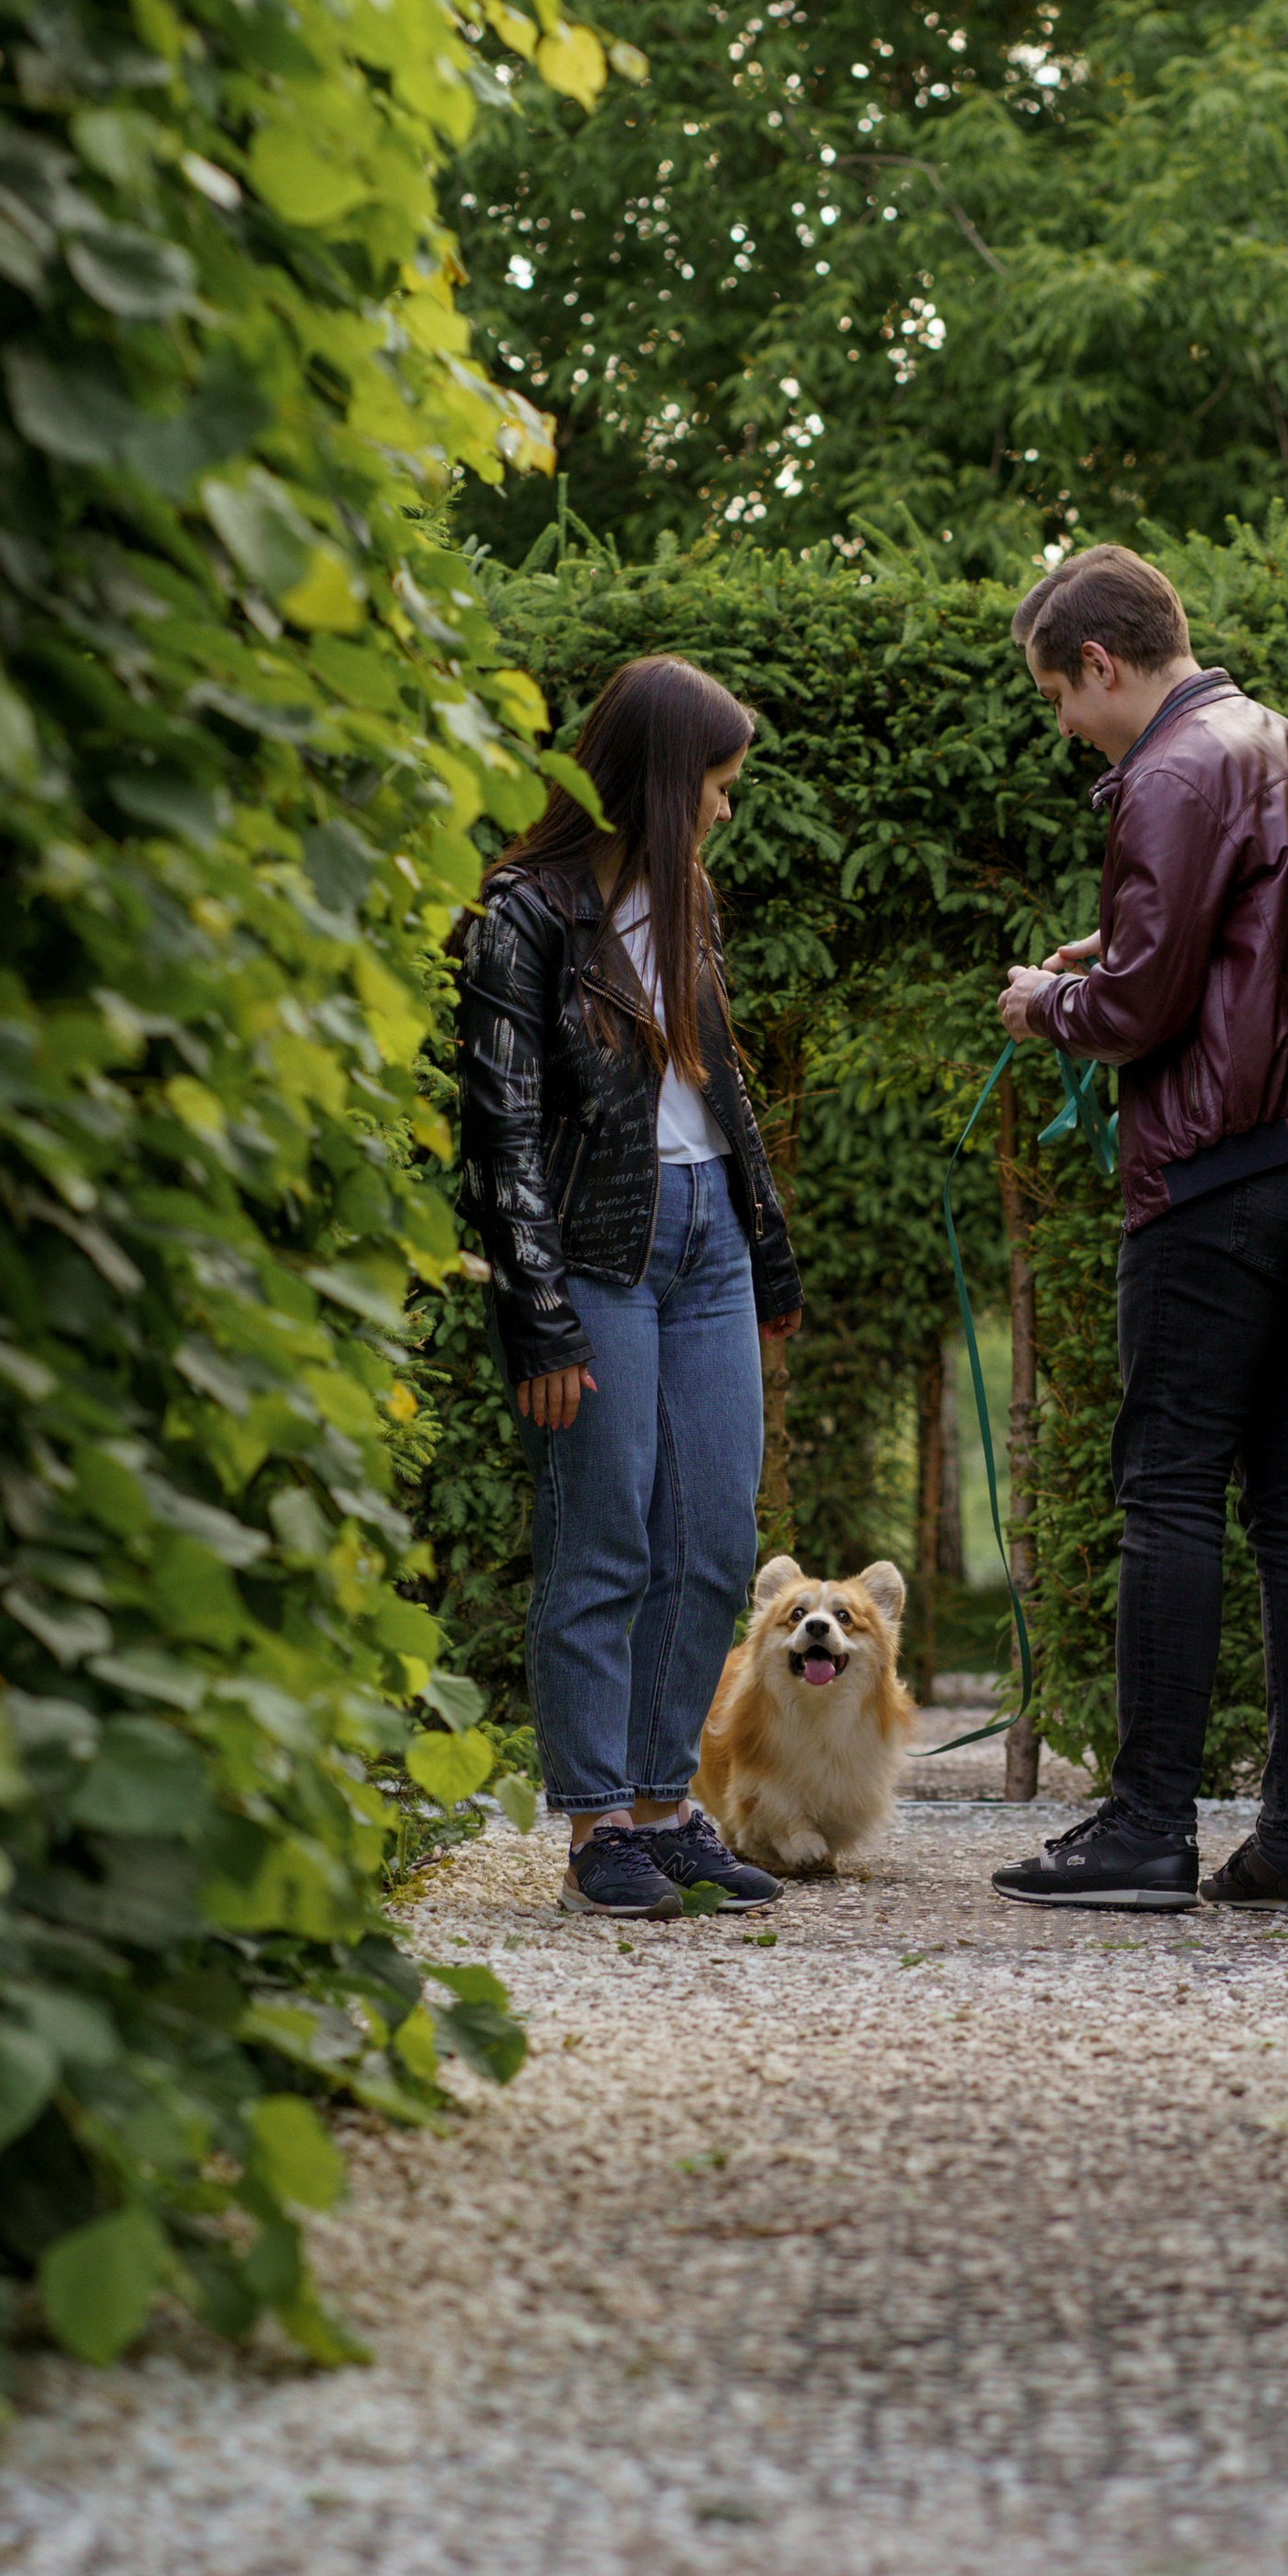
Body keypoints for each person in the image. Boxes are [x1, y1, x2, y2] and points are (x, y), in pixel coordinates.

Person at [989, 545, 1288, 1915]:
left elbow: (1148, 1013)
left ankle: (1147, 1830)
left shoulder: (1167, 772)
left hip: (1215, 1180)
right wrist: (1113, 957)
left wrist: (1048, 1003)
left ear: (1102, 663)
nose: (1063, 725)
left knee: (1166, 1491)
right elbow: (1254, 957)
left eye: (1059, 696)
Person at [454, 654, 802, 1919]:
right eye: (713, 786)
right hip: (594, 1253)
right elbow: (498, 1133)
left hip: (707, 1236)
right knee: (603, 1537)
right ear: (659, 782)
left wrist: (766, 1247)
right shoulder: (523, 916)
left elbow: (723, 1085)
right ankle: (600, 1822)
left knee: (712, 1538)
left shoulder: (687, 898)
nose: (723, 809)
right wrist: (536, 1318)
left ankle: (666, 1805)